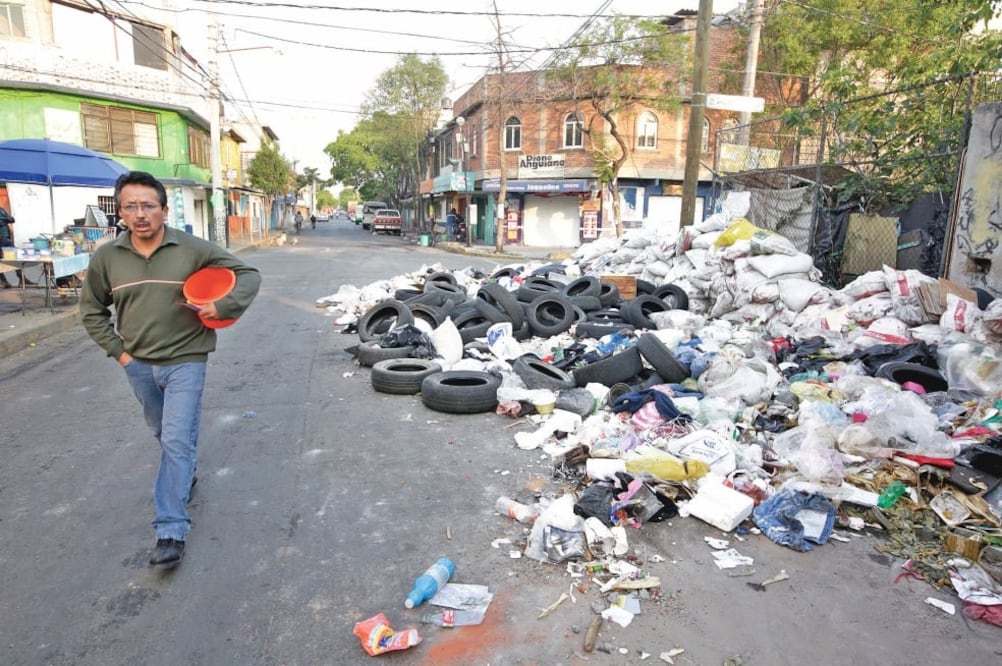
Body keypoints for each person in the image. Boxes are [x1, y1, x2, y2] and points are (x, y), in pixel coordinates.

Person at [79, 171, 261, 569]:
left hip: (186, 359)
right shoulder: (107, 258)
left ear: (163, 209)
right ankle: (184, 475)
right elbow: (91, 311)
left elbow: (248, 274)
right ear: (120, 211)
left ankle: (170, 530)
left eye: (148, 205)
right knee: (165, 435)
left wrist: (225, 307)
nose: (140, 214)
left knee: (177, 440)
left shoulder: (190, 247)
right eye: (131, 206)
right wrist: (121, 355)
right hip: (138, 364)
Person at [0, 205, 35, 288]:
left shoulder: (1, 210)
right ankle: (3, 281)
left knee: (16, 257)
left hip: (6, 237)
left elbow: (12, 219)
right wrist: (5, 219)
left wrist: (3, 219)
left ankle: (22, 278)